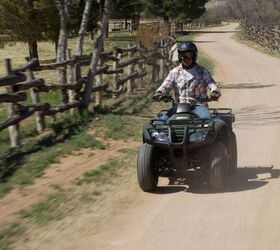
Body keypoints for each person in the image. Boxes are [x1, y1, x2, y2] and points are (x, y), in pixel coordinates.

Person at [153, 41, 221, 120]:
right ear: (179, 57)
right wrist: (159, 93)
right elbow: (165, 86)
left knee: (206, 119)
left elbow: (212, 84)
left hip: (198, 106)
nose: (185, 58)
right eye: (183, 55)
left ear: (194, 56)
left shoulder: (202, 71)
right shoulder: (174, 72)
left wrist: (214, 92)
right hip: (180, 107)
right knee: (161, 121)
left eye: (189, 55)